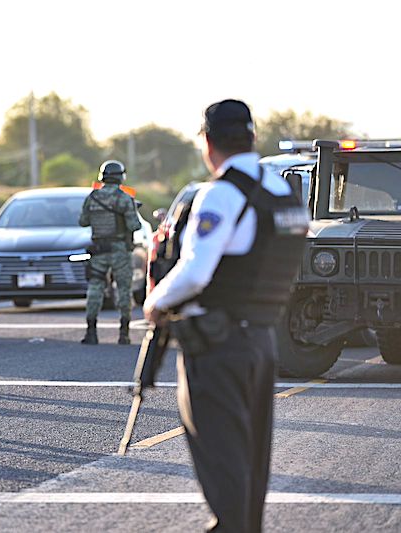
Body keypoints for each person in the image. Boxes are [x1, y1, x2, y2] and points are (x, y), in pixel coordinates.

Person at [143, 99, 308, 532]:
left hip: (217, 346)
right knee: (251, 465)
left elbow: (196, 271)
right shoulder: (282, 191)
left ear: (209, 142)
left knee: (223, 463)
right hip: (260, 343)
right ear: (253, 138)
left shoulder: (221, 192)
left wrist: (156, 302)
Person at [78, 160, 142, 345]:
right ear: (121, 177)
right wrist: (132, 210)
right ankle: (124, 334)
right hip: (120, 251)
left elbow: (83, 222)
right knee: (123, 289)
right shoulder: (124, 199)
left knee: (95, 288)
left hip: (98, 251)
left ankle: (91, 332)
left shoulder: (93, 198)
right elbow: (134, 225)